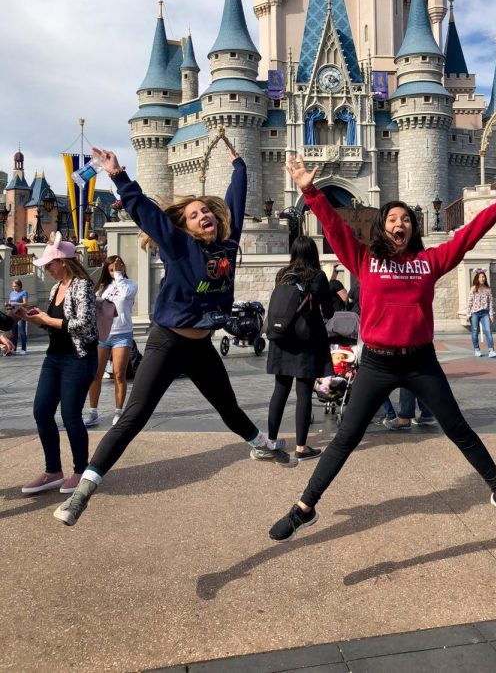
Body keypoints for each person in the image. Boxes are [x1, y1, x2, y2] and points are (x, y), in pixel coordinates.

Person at [268, 157, 496, 541]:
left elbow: (466, 238)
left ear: (413, 230)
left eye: (406, 220)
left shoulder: (429, 262)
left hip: (420, 362)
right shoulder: (364, 259)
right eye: (393, 219)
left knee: (459, 429)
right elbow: (333, 225)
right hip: (377, 363)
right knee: (346, 438)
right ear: (383, 227)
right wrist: (309, 191)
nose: (400, 224)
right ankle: (304, 508)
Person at [53, 144, 297, 528]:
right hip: (168, 342)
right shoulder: (179, 245)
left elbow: (236, 195)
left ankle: (261, 446)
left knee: (229, 407)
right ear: (185, 226)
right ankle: (84, 490)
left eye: (206, 212)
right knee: (134, 416)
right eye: (194, 214)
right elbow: (147, 214)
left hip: (200, 347)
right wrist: (117, 174)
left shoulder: (228, 246)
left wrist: (238, 163)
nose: (203, 216)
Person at [15, 235, 98, 495]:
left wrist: (47, 320)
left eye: (50, 264)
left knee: (70, 415)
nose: (47, 269)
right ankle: (53, 471)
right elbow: (52, 321)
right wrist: (28, 316)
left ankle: (81, 470)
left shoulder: (82, 285)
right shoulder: (54, 289)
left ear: (63, 261)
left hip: (79, 356)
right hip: (54, 357)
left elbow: (83, 324)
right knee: (41, 411)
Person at [265, 235, 333, 461]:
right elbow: (329, 312)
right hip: (306, 343)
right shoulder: (318, 276)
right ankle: (302, 447)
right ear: (313, 253)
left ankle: (271, 441)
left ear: (293, 252)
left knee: (280, 391)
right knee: (303, 393)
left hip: (281, 339)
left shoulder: (282, 275)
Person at [83, 255, 138, 428]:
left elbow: (124, 294)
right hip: (103, 335)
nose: (115, 268)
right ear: (106, 268)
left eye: (119, 265)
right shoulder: (101, 288)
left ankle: (118, 412)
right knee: (96, 374)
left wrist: (119, 275)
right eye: (112, 266)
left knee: (119, 374)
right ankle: (92, 412)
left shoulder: (130, 285)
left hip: (122, 334)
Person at [466, 269, 496, 358]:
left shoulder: (488, 289)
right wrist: (468, 313)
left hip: (485, 313)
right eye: (480, 277)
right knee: (475, 331)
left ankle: (491, 350)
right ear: (477, 278)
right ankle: (477, 349)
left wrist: (491, 314)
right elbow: (470, 302)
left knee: (488, 331)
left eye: (483, 277)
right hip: (475, 313)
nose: (482, 278)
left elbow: (490, 303)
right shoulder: (473, 288)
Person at [8, 279, 28, 354]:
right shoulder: (11, 293)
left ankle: (23, 349)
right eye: (13, 286)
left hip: (20, 314)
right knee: (14, 333)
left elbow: (25, 303)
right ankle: (14, 349)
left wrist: (16, 303)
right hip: (13, 314)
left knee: (22, 331)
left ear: (19, 286)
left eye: (15, 286)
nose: (14, 288)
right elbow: (10, 302)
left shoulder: (24, 292)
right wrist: (8, 305)